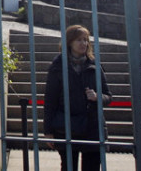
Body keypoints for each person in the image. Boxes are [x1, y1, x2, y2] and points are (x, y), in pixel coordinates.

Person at [43, 24, 112, 171]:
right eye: (79, 40)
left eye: (86, 40)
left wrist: (97, 97)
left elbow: (108, 96)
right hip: (66, 127)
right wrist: (48, 130)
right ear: (70, 42)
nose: (84, 44)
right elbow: (50, 100)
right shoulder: (58, 66)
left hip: (92, 126)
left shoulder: (94, 65)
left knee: (92, 167)